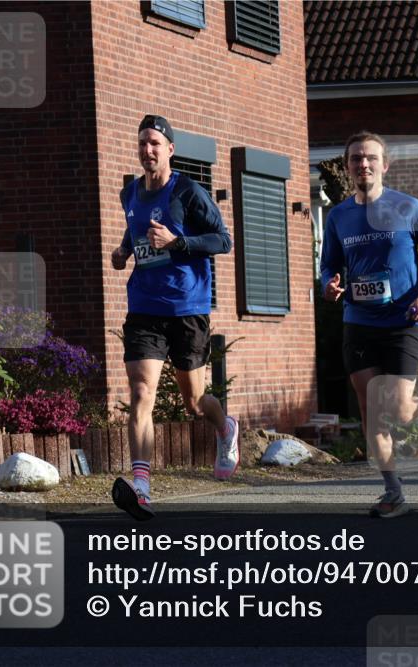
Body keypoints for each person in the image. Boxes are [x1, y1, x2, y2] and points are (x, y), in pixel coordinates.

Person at [110, 114, 238, 521]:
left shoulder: (187, 191)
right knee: (142, 393)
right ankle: (142, 487)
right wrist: (124, 251)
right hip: (144, 307)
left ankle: (225, 427)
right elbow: (135, 230)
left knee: (194, 402)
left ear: (169, 150)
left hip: (186, 307)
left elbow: (223, 240)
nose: (147, 150)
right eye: (142, 142)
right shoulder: (129, 192)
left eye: (154, 143)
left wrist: (177, 241)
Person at [319, 131, 418, 519]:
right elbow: (328, 263)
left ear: (384, 165)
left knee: (396, 407)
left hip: (402, 321)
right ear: (347, 167)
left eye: (370, 158)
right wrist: (328, 283)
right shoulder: (339, 216)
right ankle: (393, 492)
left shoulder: (408, 208)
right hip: (358, 322)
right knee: (371, 412)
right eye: (356, 158)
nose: (363, 164)